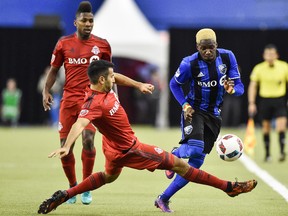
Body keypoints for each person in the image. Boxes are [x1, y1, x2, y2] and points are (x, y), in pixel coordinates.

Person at [37, 60, 257, 215]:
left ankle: (66, 194)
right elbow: (80, 122)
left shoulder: (100, 85)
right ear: (102, 79)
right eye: (111, 76)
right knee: (181, 165)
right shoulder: (94, 103)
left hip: (111, 148)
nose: (115, 79)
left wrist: (138, 84)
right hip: (131, 149)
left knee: (107, 177)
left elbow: (118, 79)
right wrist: (67, 145)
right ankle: (229, 188)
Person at [156, 28, 245, 212]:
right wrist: (184, 105)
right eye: (203, 48)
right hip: (194, 111)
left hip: (214, 115)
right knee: (195, 148)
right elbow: (174, 84)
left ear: (216, 45)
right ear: (197, 47)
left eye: (210, 47)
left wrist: (232, 90)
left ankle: (163, 198)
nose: (207, 52)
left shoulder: (228, 58)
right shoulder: (189, 63)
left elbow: (240, 87)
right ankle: (176, 153)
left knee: (196, 164)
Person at [42, 1, 112, 205]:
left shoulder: (103, 45)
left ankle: (86, 187)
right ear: (75, 22)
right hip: (69, 100)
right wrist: (46, 90)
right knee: (65, 147)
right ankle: (72, 186)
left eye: (91, 20)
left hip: (91, 100)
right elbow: (54, 70)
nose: (89, 24)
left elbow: (110, 75)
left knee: (88, 141)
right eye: (84, 20)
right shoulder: (63, 43)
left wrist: (112, 97)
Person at [248, 44, 288, 162]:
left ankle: (281, 152)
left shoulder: (284, 66)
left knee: (281, 127)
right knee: (266, 128)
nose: (270, 56)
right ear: (264, 55)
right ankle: (268, 154)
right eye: (267, 54)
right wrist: (251, 102)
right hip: (265, 100)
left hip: (279, 99)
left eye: (272, 54)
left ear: (277, 55)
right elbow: (253, 86)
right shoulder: (259, 68)